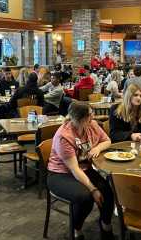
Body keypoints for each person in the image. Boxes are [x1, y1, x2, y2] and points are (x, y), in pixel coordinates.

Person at [47, 102, 114, 240]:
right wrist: (93, 189)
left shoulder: (92, 125)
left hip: (84, 169)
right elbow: (74, 169)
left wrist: (98, 148)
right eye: (90, 115)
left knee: (107, 191)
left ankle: (106, 225)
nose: (93, 117)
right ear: (81, 119)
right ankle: (76, 229)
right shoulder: (64, 136)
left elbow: (107, 141)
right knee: (85, 197)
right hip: (60, 174)